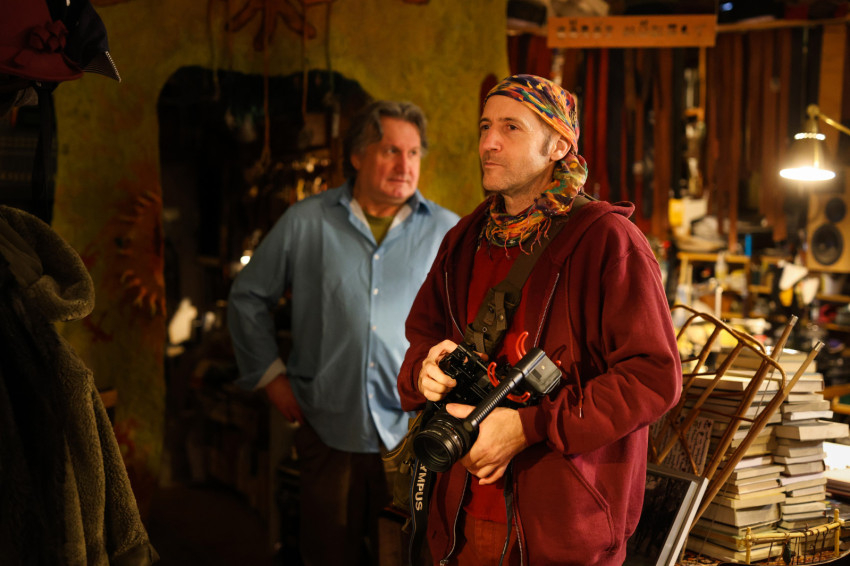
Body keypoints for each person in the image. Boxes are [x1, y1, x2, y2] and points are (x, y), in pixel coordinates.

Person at [397, 74, 682, 565]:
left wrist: (530, 427)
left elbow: (653, 377)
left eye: (511, 127)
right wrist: (426, 369)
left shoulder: (608, 242)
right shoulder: (464, 239)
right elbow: (423, 335)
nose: (489, 142)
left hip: (560, 530)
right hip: (458, 517)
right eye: (485, 126)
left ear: (558, 146)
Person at [227, 100, 459, 566]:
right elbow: (247, 296)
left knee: (408, 555)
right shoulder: (306, 220)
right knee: (328, 553)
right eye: (390, 150)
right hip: (326, 425)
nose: (405, 165)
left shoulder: (447, 231)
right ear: (357, 155)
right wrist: (271, 377)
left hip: (416, 432)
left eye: (414, 153)